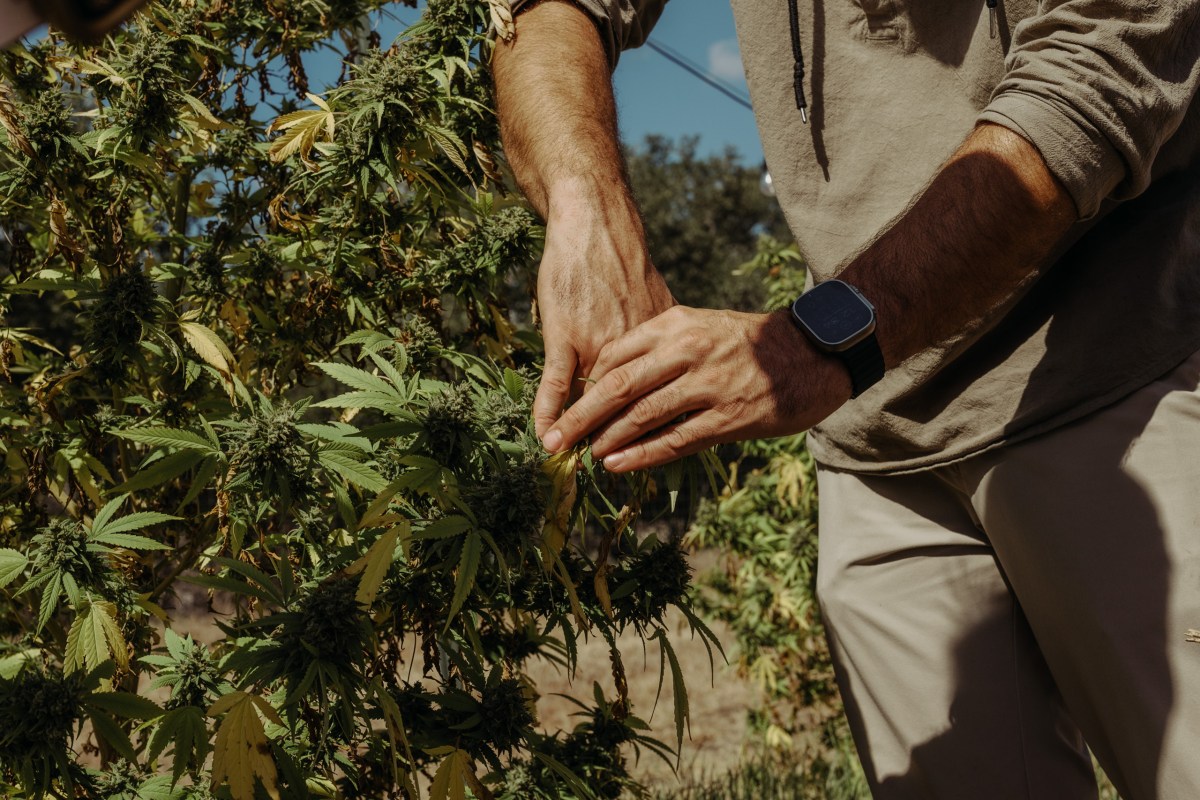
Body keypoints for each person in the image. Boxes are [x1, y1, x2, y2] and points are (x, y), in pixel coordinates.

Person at [492, 1, 1200, 798]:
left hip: (1120, 381)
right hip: (876, 447)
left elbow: (1101, 65)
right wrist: (587, 207)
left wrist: (816, 344)